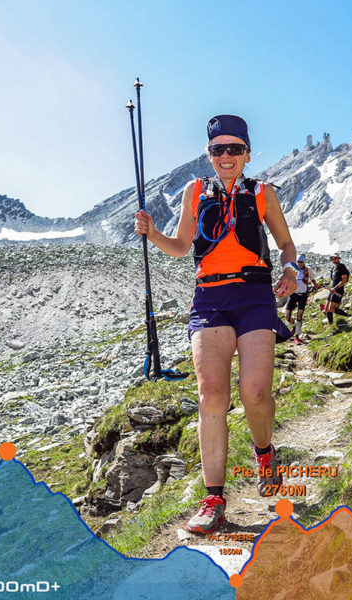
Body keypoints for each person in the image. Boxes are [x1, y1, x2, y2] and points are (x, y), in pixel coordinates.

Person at [134, 114, 298, 535]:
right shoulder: (194, 191)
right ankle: (214, 499)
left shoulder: (262, 193)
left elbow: (285, 245)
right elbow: (181, 247)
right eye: (217, 150)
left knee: (256, 392)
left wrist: (291, 270)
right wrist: (152, 233)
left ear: (247, 152)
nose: (225, 157)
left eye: (234, 149)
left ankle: (264, 452)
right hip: (209, 297)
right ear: (208, 154)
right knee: (211, 396)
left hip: (255, 295)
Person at [284, 254, 319, 344]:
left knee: (299, 315)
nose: (299, 264)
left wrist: (315, 286)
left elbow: (312, 280)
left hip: (303, 295)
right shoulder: (293, 269)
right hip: (293, 294)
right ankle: (294, 327)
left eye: (301, 262)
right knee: (287, 316)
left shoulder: (308, 270)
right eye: (298, 262)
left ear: (304, 262)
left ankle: (297, 336)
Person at [325, 253, 349, 324]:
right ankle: (331, 325)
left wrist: (335, 288)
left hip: (338, 290)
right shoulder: (334, 268)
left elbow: (344, 280)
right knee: (326, 309)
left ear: (339, 259)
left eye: (335, 258)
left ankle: (347, 316)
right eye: (332, 259)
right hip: (333, 290)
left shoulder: (342, 266)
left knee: (331, 309)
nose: (334, 260)